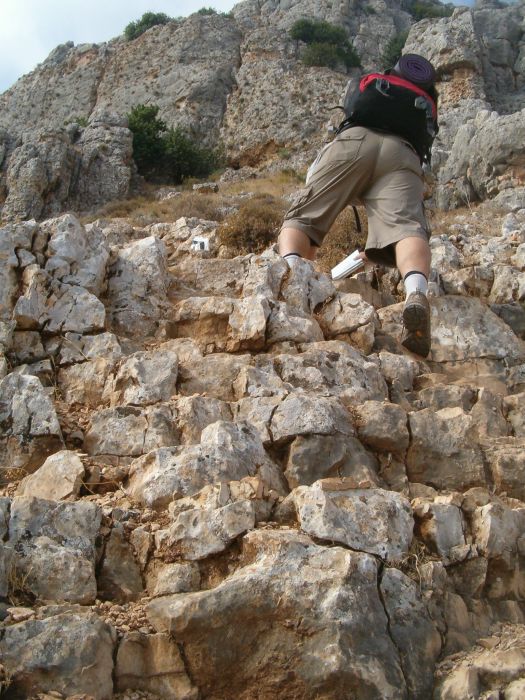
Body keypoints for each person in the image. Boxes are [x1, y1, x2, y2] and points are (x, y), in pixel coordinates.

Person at [277, 53, 439, 358]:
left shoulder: (375, 91)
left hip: (353, 143)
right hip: (403, 153)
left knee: (303, 218)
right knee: (406, 229)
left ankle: (290, 278)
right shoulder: (418, 109)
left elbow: (310, 199)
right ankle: (416, 293)